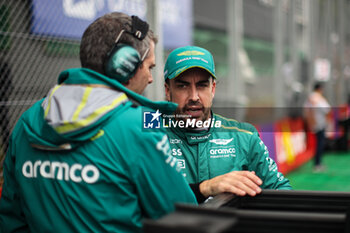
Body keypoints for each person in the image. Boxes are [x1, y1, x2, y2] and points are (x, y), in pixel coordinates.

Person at [0, 12, 196, 233]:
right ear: (124, 65)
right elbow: (184, 217)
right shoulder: (138, 127)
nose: (151, 78)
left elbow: (11, 220)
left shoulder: (28, 121)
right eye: (149, 67)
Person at [163, 46, 292, 203]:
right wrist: (206, 188)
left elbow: (281, 190)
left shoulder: (244, 136)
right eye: (182, 86)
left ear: (213, 89)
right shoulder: (149, 135)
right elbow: (146, 199)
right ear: (168, 90)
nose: (194, 96)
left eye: (202, 85)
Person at [304, 82, 330, 172]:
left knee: (318, 143)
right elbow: (326, 109)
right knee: (320, 143)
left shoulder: (310, 97)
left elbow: (307, 111)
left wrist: (311, 121)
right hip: (320, 123)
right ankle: (317, 164)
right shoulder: (318, 97)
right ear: (320, 89)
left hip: (314, 123)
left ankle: (317, 163)